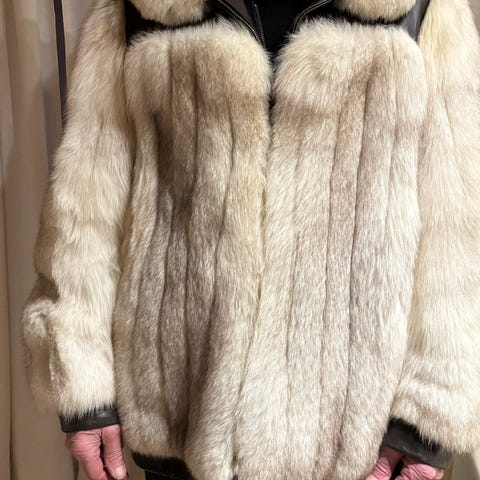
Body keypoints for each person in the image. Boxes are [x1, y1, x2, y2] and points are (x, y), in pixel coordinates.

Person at [21, 0, 480, 479]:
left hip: (349, 427)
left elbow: (458, 223)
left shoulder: (424, 10)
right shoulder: (140, 9)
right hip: (182, 405)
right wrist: (82, 383)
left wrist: (431, 417)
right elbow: (84, 205)